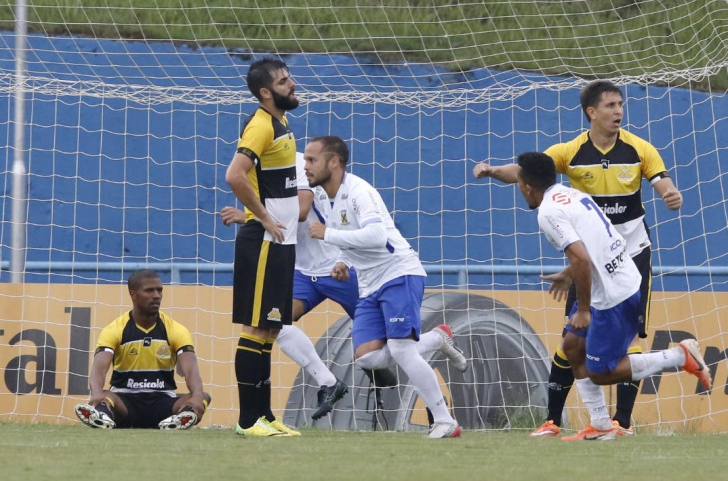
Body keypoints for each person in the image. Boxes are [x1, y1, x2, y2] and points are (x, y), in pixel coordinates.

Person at [473, 80, 683, 436]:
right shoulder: (570, 152)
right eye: (611, 105)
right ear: (592, 112)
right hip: (586, 260)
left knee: (626, 343)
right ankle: (555, 420)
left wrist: (669, 193)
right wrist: (493, 171)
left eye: (620, 104)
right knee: (572, 340)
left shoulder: (639, 149)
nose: (618, 111)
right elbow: (529, 172)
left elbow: (661, 180)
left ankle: (621, 423)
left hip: (628, 256)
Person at [221, 154, 466, 421]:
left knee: (398, 344)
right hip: (305, 272)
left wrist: (253, 215)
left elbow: (301, 211)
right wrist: (252, 215)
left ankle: (435, 402)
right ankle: (328, 382)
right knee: (275, 321)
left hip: (341, 268)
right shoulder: (266, 171)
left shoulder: (301, 165)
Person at [515, 151, 710, 440]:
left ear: (527, 187)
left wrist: (583, 310)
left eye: (519, 183)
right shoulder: (571, 195)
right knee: (572, 346)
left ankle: (678, 356)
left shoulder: (547, 212)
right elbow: (597, 242)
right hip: (619, 280)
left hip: (613, 295)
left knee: (600, 373)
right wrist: (569, 273)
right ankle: (601, 426)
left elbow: (582, 258)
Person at [304, 135, 466, 439]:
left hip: (398, 274)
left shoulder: (359, 192)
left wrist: (328, 236)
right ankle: (435, 339)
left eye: (312, 160)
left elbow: (377, 236)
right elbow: (346, 233)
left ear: (334, 162)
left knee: (402, 351)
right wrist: (342, 260)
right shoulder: (324, 196)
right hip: (368, 284)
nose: (306, 166)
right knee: (367, 357)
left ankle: (445, 421)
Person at [225, 56, 301, 437]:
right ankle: (246, 421)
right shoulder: (259, 126)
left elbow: (265, 184)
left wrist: (254, 214)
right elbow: (235, 175)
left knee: (270, 330)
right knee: (255, 329)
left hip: (280, 241)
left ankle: (266, 416)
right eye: (285, 81)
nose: (293, 84)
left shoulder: (280, 121)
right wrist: (262, 218)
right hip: (264, 242)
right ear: (265, 93)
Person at [74, 269, 211, 430]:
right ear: (133, 294)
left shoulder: (176, 330)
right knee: (104, 396)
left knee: (202, 397)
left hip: (163, 402)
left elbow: (191, 370)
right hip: (125, 401)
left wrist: (195, 396)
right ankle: (103, 416)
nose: (157, 295)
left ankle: (180, 419)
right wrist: (96, 393)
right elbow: (99, 368)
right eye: (149, 290)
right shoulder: (115, 329)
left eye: (159, 290)